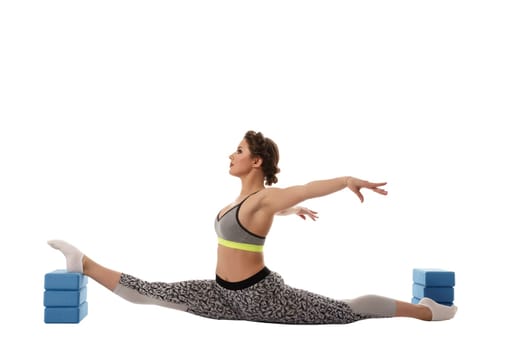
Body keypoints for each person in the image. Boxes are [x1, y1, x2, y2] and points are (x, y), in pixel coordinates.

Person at [48, 130, 457, 324]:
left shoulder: (264, 197)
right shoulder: (246, 203)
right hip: (223, 295)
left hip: (263, 297)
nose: (231, 154)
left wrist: (345, 180)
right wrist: (286, 215)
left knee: (346, 310)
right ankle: (82, 262)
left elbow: (306, 188)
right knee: (152, 294)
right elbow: (254, 223)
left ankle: (425, 313)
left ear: (256, 161)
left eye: (239, 151)